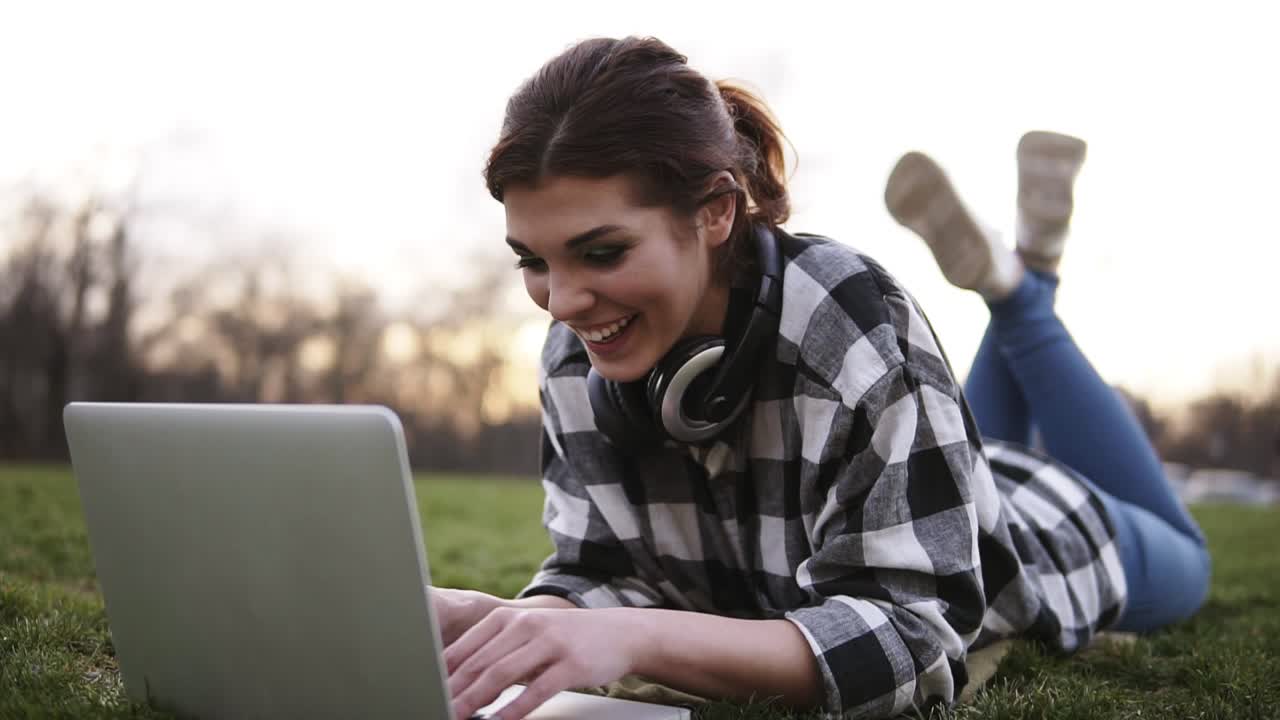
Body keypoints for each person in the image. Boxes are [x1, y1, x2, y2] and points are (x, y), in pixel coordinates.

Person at [431, 36, 1211, 720]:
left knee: (1190, 556)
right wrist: (497, 618)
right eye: (533, 260)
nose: (562, 302)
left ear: (714, 212)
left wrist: (635, 635)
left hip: (1053, 533)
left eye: (602, 253)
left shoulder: (842, 311)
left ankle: (1020, 290)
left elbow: (913, 637)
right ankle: (1021, 271)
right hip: (940, 479)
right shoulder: (579, 350)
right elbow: (605, 574)